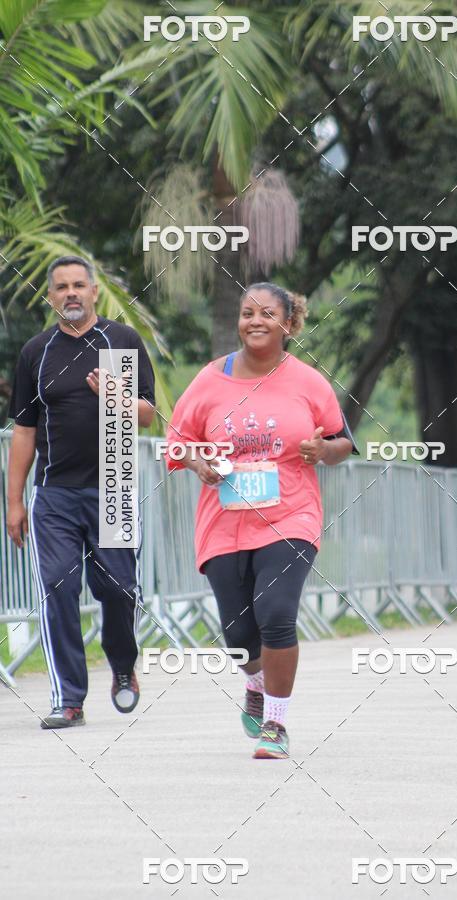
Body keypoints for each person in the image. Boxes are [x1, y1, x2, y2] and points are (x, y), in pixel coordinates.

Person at [165, 282, 356, 759]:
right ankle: (253, 682)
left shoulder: (310, 382)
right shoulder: (209, 381)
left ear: (288, 324)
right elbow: (178, 442)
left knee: (275, 616)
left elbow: (342, 443)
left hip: (290, 515)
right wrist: (197, 462)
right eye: (248, 312)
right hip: (223, 521)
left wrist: (322, 450)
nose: (255, 320)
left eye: (267, 313)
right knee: (239, 634)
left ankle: (276, 723)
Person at [6, 255, 156, 728]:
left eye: (78, 285)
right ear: (50, 296)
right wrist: (13, 501)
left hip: (112, 485)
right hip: (53, 493)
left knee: (118, 591)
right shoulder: (37, 351)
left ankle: (123, 667)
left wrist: (116, 396)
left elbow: (148, 414)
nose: (70, 293)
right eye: (61, 287)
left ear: (94, 291)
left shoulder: (120, 342)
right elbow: (24, 431)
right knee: (58, 589)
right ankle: (68, 698)